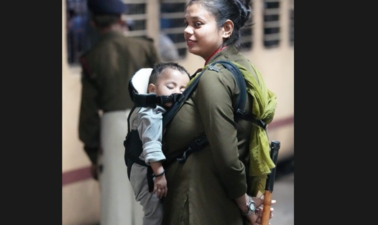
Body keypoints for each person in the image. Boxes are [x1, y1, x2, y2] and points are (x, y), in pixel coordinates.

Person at [160, 0, 277, 225]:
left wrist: (247, 206)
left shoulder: (214, 77)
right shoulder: (242, 65)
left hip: (200, 205)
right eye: (186, 23)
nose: (186, 30)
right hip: (212, 202)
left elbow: (227, 156)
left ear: (226, 29)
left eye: (197, 23)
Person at [78, 0, 160, 224]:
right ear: (122, 19)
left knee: (115, 200)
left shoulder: (91, 58)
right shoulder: (145, 48)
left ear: (94, 23)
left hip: (112, 128)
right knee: (146, 196)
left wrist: (94, 153)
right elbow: (162, 94)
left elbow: (88, 116)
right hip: (145, 124)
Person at [127, 62, 190, 225]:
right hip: (145, 170)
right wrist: (159, 174)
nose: (177, 92)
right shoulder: (151, 114)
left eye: (183, 89)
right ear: (152, 90)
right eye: (171, 86)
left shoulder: (156, 109)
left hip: (147, 168)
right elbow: (151, 146)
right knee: (154, 213)